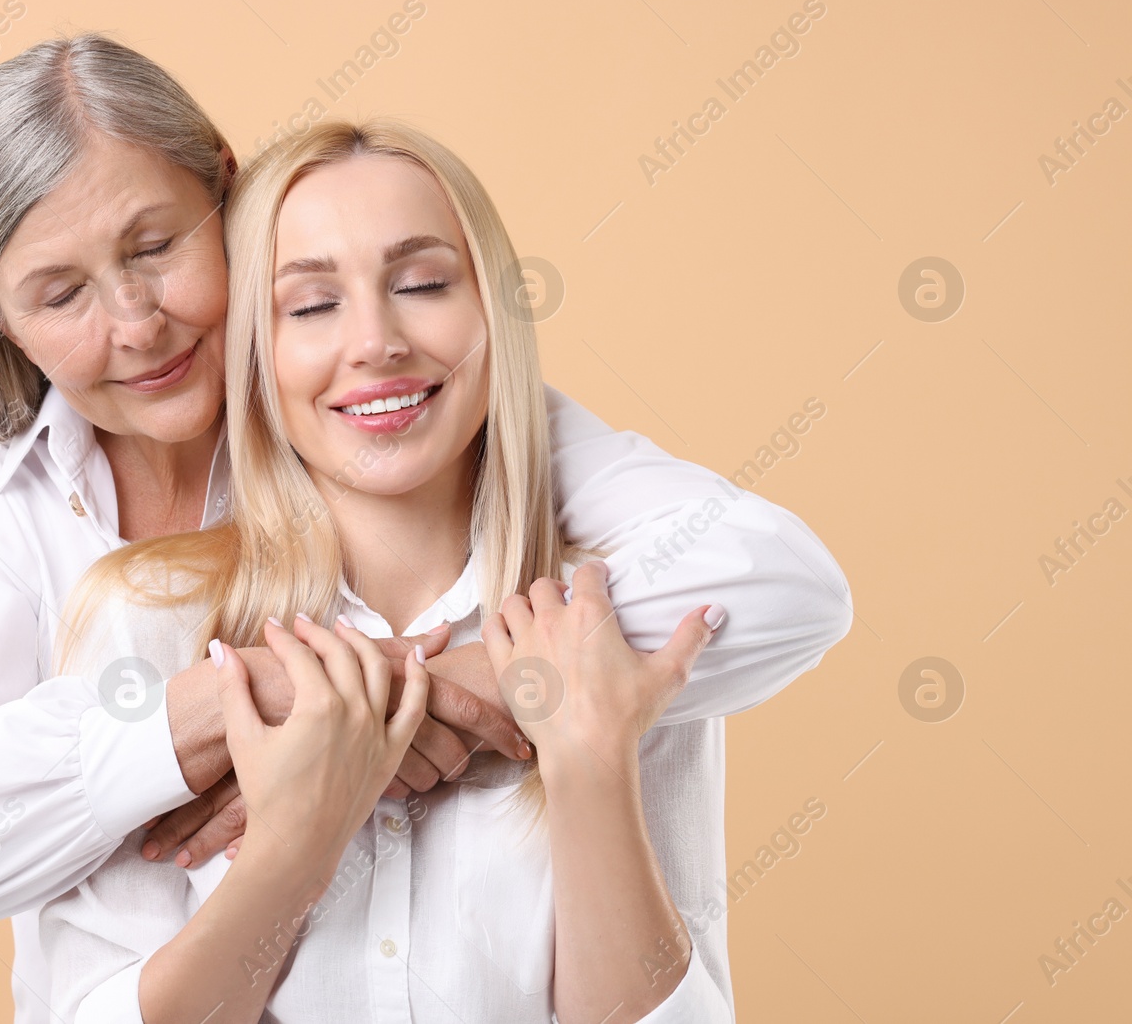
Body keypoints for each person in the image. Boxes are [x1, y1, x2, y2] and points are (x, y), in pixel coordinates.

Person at [0, 34, 853, 1023]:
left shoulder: (465, 451)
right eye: (60, 293)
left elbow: (779, 580)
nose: (137, 322)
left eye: (156, 248)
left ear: (224, 199)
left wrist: (444, 694)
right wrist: (243, 723)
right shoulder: (68, 567)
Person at [41, 118, 746, 1022]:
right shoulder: (142, 618)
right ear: (256, 348)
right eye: (310, 304)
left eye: (421, 284)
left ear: (492, 310)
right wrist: (300, 838)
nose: (376, 342)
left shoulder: (605, 622)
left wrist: (590, 760)